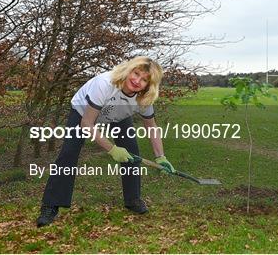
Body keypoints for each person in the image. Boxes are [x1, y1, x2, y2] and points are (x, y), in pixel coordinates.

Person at [36, 56, 176, 227]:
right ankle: (51, 205)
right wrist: (112, 149)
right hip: (83, 113)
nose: (137, 80)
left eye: (144, 79)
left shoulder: (144, 99)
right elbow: (87, 123)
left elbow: (151, 126)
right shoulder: (105, 84)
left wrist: (161, 156)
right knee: (69, 153)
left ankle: (133, 199)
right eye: (136, 73)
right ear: (129, 70)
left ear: (149, 85)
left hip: (118, 114)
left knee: (132, 152)